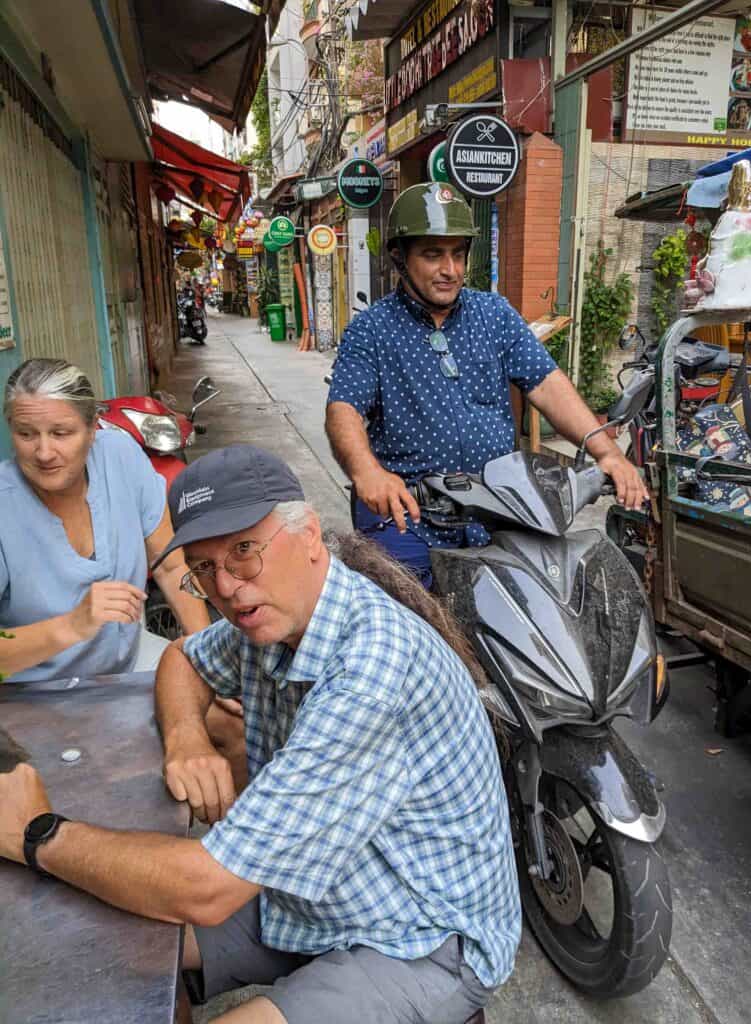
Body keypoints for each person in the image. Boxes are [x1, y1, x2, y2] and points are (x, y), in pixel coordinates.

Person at [0, 445, 520, 1024]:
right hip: (321, 888)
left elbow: (207, 887)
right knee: (111, 942)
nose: (227, 587)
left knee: (142, 907)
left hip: (420, 937)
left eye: (245, 551)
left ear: (310, 537)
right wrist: (188, 740)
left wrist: (37, 832)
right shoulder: (274, 617)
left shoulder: (372, 671)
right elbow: (182, 659)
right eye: (204, 568)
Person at [325, 181, 647, 584]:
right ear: (399, 257)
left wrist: (606, 451)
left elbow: (546, 383)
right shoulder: (371, 329)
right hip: (407, 515)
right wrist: (366, 471)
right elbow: (344, 409)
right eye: (433, 255)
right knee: (414, 628)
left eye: (458, 254)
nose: (451, 270)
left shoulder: (492, 313)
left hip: (498, 507)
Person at [0, 358, 210, 681]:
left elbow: (169, 565)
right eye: (26, 434)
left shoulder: (121, 456)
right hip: (28, 699)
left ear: (92, 428)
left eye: (61, 433)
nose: (43, 452)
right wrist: (71, 625)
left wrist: (209, 658)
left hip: (123, 671)